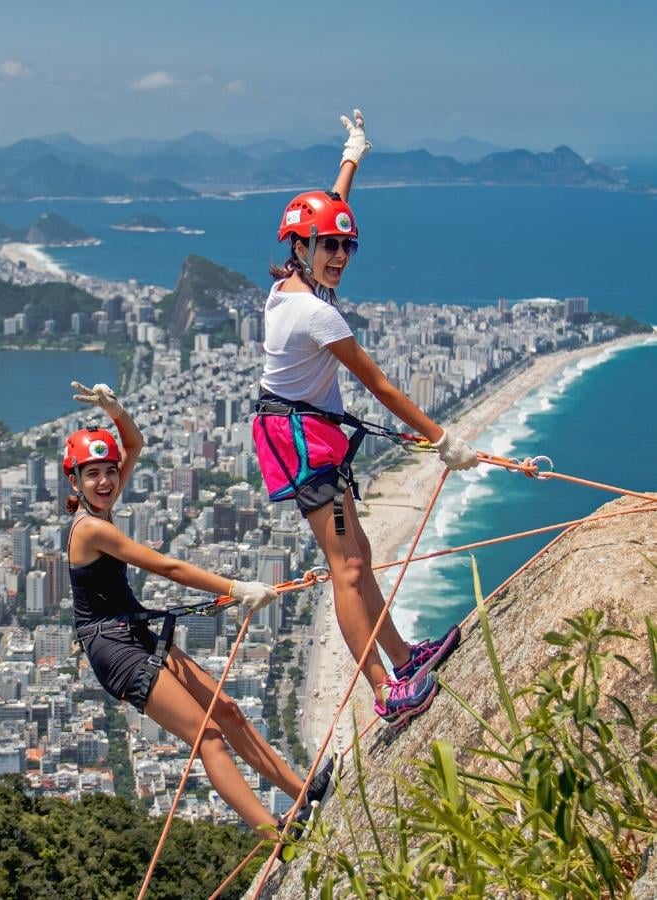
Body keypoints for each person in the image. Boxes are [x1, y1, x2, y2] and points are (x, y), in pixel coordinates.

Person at [252, 108, 479, 730]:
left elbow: (331, 203)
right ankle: (384, 692)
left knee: (361, 553)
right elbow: (376, 383)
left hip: (301, 429)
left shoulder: (296, 287)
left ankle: (403, 657)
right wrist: (444, 439)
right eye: (329, 246)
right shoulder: (316, 315)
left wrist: (353, 155)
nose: (340, 256)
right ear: (299, 248)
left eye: (347, 245)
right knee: (347, 568)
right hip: (299, 438)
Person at [63, 380, 334, 834]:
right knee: (206, 737)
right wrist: (238, 586)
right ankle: (275, 836)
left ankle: (304, 792)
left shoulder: (102, 504)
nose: (106, 480)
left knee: (227, 710)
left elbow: (134, 442)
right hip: (113, 648)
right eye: (93, 474)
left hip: (135, 630)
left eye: (110, 471)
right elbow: (167, 566)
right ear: (75, 481)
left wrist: (116, 410)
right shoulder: (90, 528)